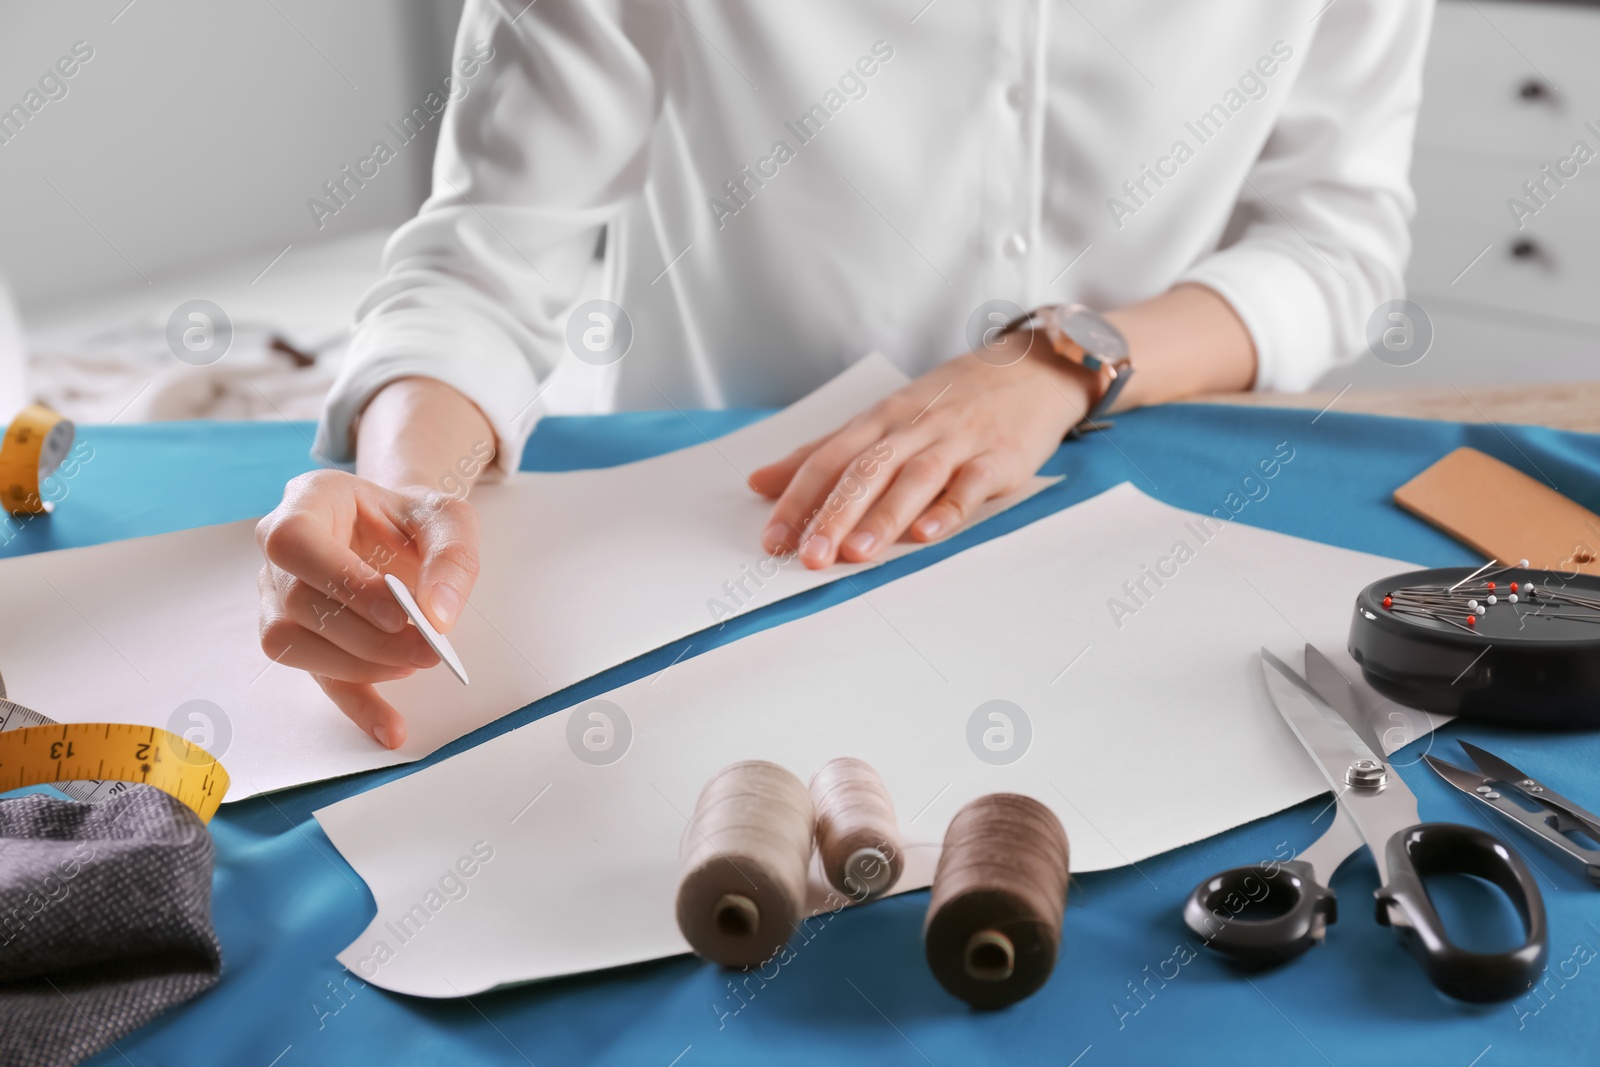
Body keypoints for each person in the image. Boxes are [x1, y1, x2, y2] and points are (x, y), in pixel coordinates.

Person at [255, 0, 1432, 747]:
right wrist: (416, 485)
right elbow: (489, 256)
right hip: (727, 539)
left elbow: (1336, 237)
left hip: (1131, 489)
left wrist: (1058, 363)